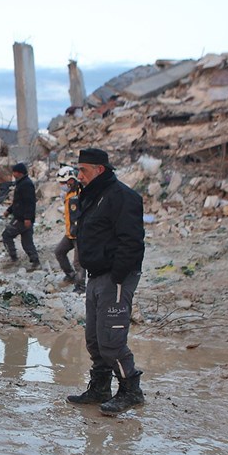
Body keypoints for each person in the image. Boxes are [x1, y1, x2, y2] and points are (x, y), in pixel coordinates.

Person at [66, 148, 145, 416]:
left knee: (111, 340)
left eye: (83, 170)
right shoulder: (92, 195)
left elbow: (132, 241)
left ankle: (131, 390)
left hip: (115, 277)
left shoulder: (122, 196)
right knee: (94, 339)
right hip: (96, 276)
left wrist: (118, 275)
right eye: (78, 170)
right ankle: (100, 388)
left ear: (100, 169)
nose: (79, 176)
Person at [1, 162, 40, 270]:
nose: (13, 174)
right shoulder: (22, 183)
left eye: (14, 172)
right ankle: (35, 261)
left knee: (6, 235)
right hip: (24, 218)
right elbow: (18, 202)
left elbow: (30, 202)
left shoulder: (26, 184)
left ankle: (13, 259)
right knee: (27, 242)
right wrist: (9, 211)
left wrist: (27, 218)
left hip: (22, 219)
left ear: (18, 173)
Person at [54, 166, 86, 293]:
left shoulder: (80, 193)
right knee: (59, 252)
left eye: (63, 182)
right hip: (70, 233)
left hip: (79, 234)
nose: (61, 185)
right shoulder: (69, 194)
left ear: (71, 180)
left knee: (78, 263)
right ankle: (70, 276)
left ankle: (81, 286)